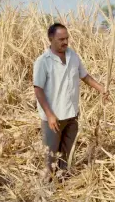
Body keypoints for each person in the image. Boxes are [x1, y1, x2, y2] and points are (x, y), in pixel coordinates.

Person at [33, 23, 109, 181]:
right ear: (51, 39)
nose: (65, 42)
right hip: (53, 118)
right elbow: (38, 90)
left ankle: (62, 184)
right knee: (51, 157)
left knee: (67, 155)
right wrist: (50, 115)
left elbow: (84, 76)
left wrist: (101, 88)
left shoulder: (72, 56)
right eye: (61, 39)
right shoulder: (43, 61)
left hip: (72, 114)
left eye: (67, 38)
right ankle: (47, 188)